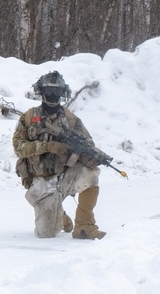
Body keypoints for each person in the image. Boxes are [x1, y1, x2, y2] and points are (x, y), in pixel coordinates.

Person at [12, 71, 106, 239]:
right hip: (40, 181)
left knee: (91, 174)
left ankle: (84, 227)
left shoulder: (70, 119)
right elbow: (18, 147)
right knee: (46, 233)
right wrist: (48, 146)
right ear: (41, 92)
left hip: (64, 177)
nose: (53, 95)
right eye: (49, 91)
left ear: (63, 93)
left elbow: (88, 143)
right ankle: (59, 214)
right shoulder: (28, 117)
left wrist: (86, 155)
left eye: (57, 91)